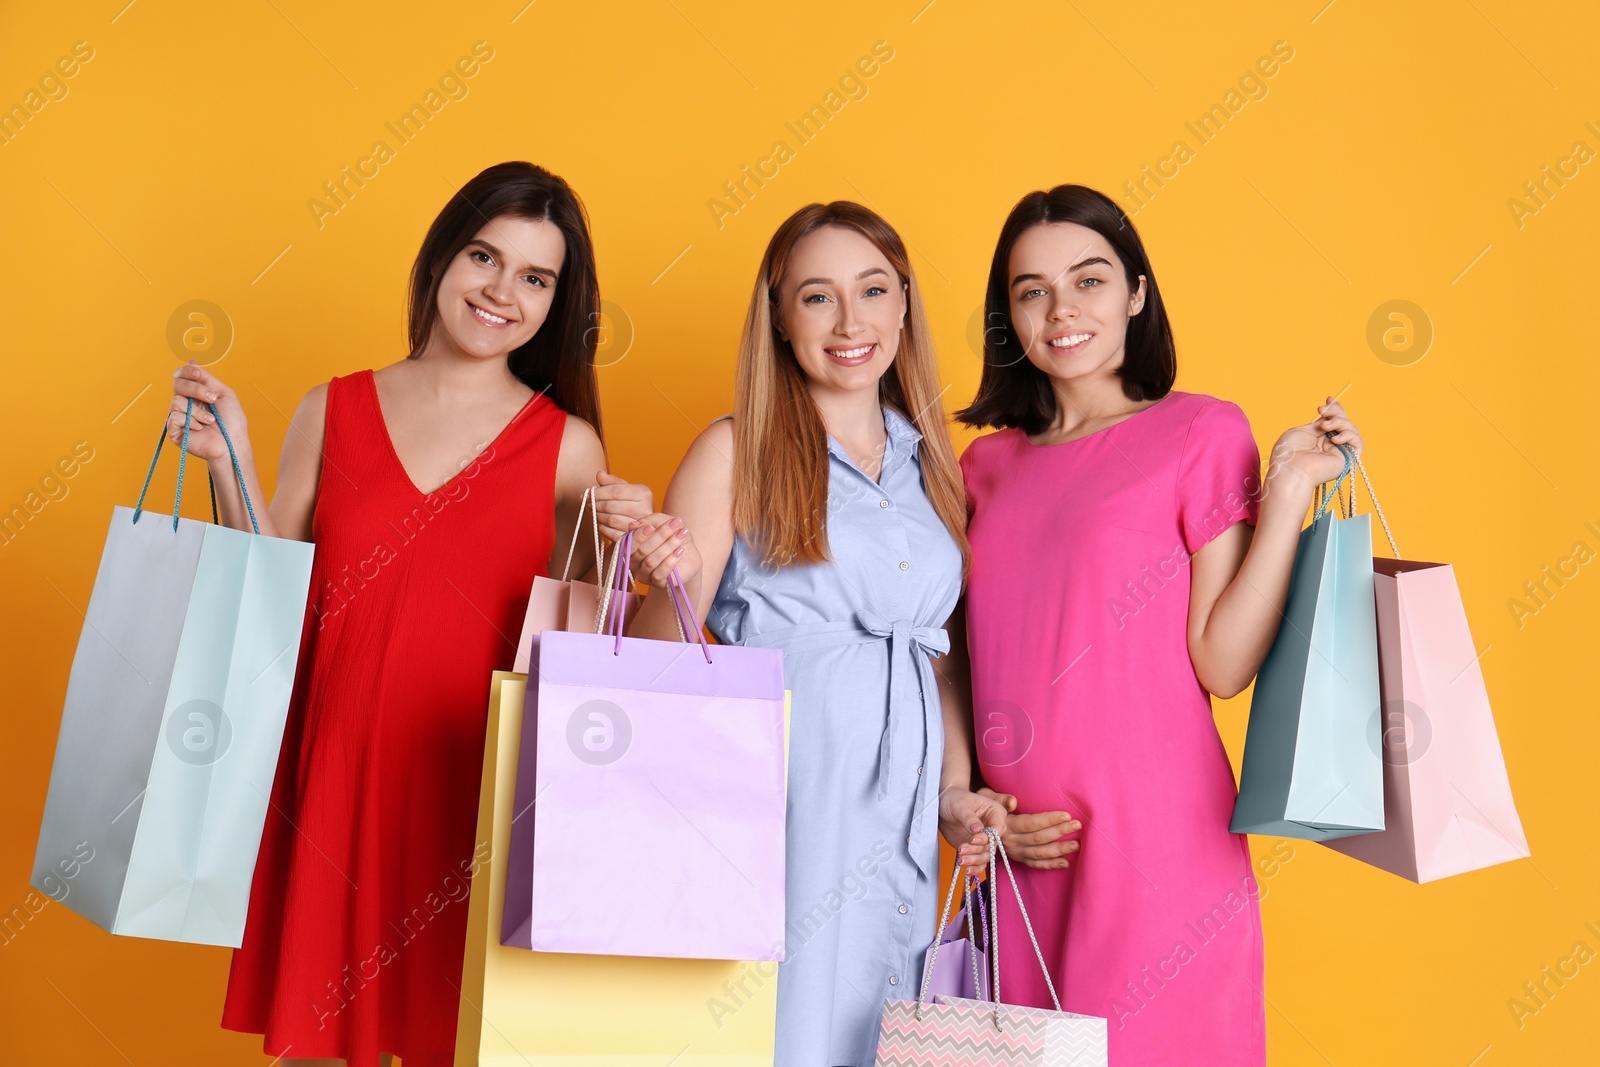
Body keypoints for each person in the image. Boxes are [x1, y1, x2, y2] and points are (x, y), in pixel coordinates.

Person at [166, 161, 649, 1067]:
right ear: (440, 259)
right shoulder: (331, 407)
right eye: (484, 256)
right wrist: (226, 457)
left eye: (535, 278)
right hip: (339, 777)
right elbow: (270, 593)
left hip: (473, 797)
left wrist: (626, 545)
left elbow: (588, 644)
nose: (502, 292)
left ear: (556, 302)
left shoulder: (568, 447)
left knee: (454, 1042)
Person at [956, 184, 1364, 1066]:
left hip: (1154, 846)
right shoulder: (982, 466)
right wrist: (972, 802)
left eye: (1090, 280)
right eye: (1032, 291)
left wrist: (1288, 489)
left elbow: (1222, 661)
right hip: (1021, 857)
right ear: (1009, 317)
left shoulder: (1201, 433)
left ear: (1136, 293)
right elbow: (950, 660)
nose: (1063, 311)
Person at [595, 202, 1007, 1066]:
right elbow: (659, 659)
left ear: (905, 304)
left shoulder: (935, 463)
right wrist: (663, 573)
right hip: (784, 799)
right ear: (779, 319)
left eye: (872, 290)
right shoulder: (735, 450)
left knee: (888, 1027)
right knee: (778, 1027)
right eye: (817, 297)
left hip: (901, 813)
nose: (850, 322)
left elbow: (941, 657)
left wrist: (954, 792)